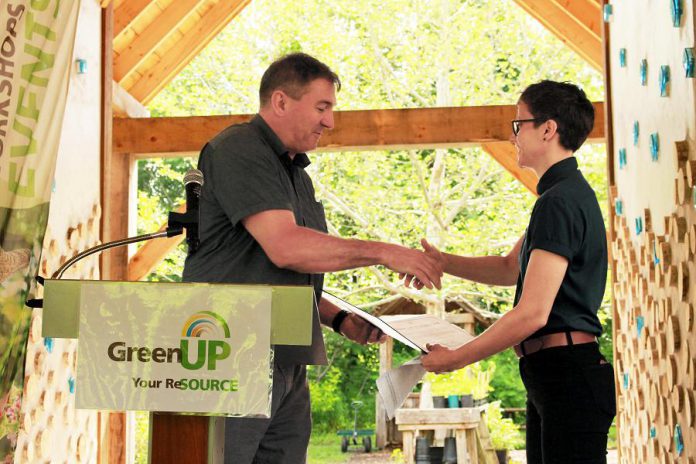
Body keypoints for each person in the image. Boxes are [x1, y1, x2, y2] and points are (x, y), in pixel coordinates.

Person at [182, 52, 443, 463]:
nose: (330, 121)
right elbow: (285, 247)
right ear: (281, 102)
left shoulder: (296, 174)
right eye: (322, 107)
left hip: (287, 359)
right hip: (229, 354)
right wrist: (384, 252)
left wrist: (338, 317)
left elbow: (281, 271)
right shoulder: (238, 148)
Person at [420, 80, 616, 464]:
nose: (513, 136)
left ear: (548, 129)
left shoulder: (558, 202)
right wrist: (444, 262)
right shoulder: (561, 195)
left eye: (518, 124)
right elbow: (512, 268)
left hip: (568, 375)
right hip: (556, 374)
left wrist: (458, 358)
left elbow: (532, 313)